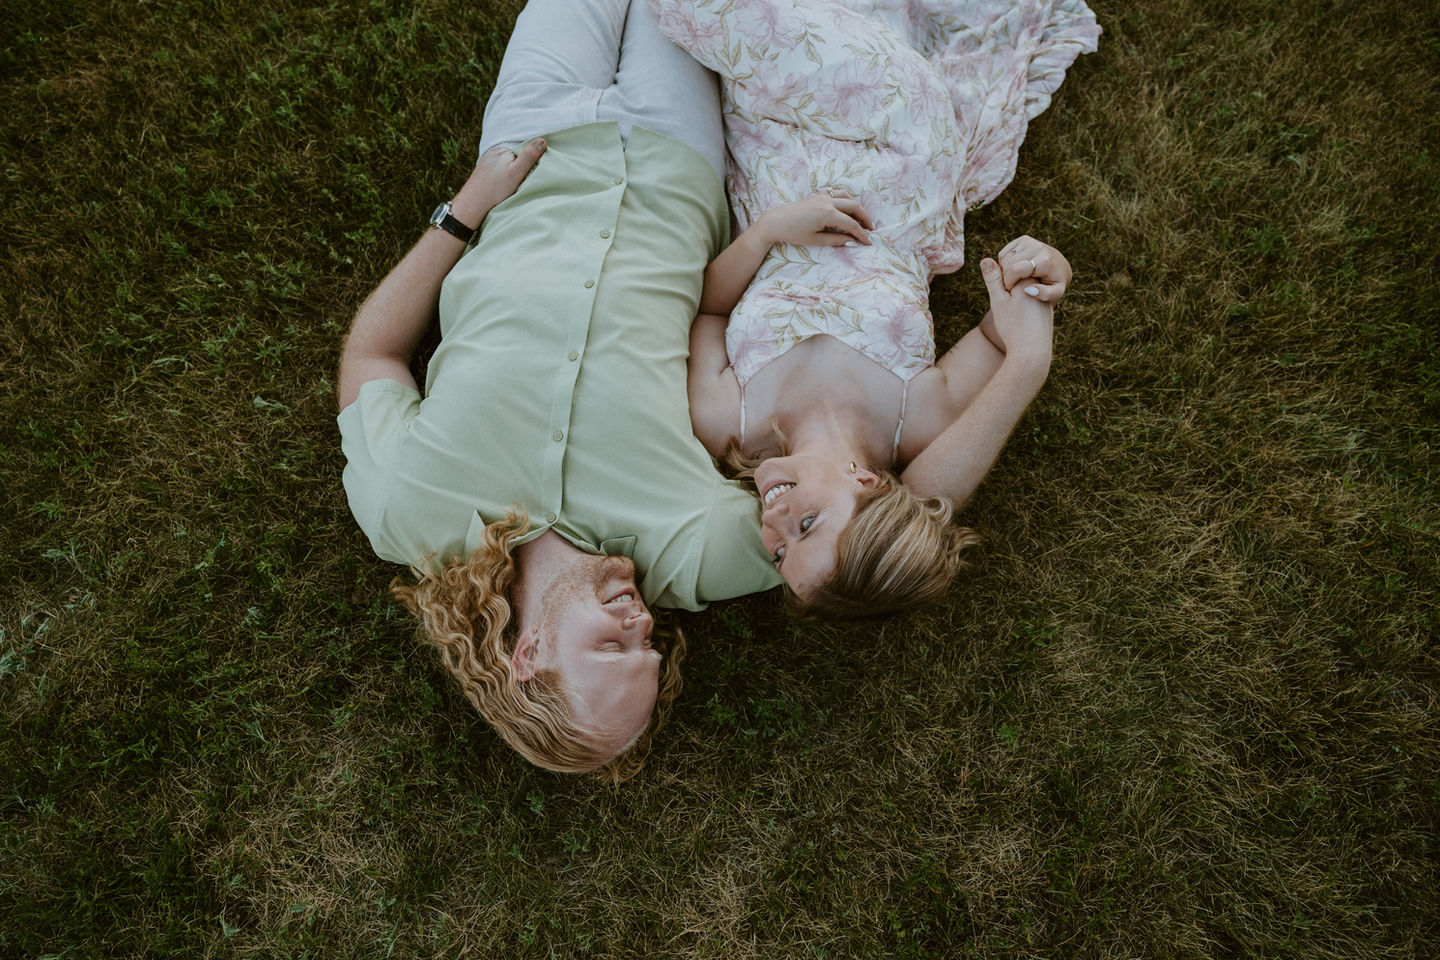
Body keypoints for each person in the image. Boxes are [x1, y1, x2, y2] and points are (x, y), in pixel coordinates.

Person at [336, 0, 781, 779]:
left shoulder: (410, 512)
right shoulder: (695, 548)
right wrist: (1019, 362)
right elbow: (868, 527)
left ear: (529, 652)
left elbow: (372, 354)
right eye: (648, 644)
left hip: (529, 143)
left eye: (612, 644)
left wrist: (466, 207)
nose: (640, 619)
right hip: (676, 161)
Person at [655, 0, 1102, 617]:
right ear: (865, 484)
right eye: (806, 525)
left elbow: (706, 312)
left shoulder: (728, 419)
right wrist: (1045, 276)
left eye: (779, 555)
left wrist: (765, 234)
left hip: (778, 165)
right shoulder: (914, 417)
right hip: (902, 166)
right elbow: (1002, 335)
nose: (773, 527)